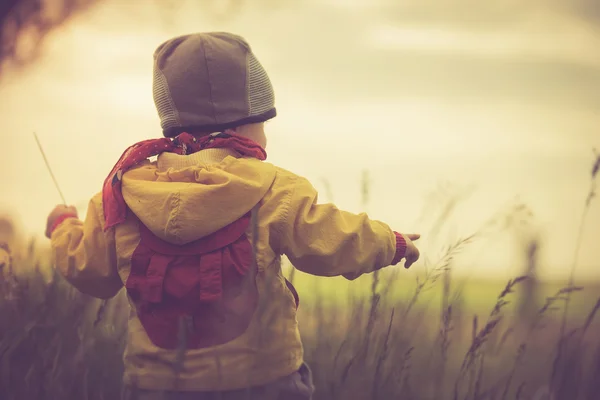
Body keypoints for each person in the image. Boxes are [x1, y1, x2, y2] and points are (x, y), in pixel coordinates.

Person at [44, 32, 421, 400]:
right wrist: (391, 242)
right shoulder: (274, 188)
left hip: (156, 383)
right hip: (263, 378)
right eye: (264, 124)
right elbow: (332, 239)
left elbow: (88, 268)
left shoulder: (121, 193)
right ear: (244, 126)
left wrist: (63, 227)